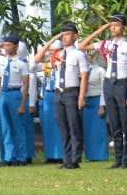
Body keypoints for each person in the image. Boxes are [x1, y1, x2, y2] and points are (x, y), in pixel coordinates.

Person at [34, 22, 89, 169]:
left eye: (67, 34)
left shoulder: (78, 54)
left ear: (75, 36)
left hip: (72, 91)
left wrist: (81, 96)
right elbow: (37, 59)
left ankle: (75, 159)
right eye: (62, 35)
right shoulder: (58, 54)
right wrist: (52, 40)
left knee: (74, 126)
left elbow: (84, 76)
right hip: (59, 93)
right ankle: (66, 158)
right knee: (63, 127)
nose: (64, 38)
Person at [87, 15, 127, 168]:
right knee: (114, 124)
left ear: (124, 27)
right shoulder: (107, 44)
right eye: (111, 25)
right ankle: (118, 159)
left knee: (126, 124)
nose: (113, 28)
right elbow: (82, 45)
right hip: (109, 84)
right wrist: (101, 29)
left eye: (116, 25)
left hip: (122, 83)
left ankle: (126, 160)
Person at [0, 34, 31, 166]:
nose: (6, 47)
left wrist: (23, 104)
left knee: (17, 127)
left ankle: (21, 157)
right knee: (4, 128)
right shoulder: (0, 61)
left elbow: (26, 84)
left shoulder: (22, 62)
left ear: (16, 46)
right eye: (4, 45)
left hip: (15, 93)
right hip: (2, 94)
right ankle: (8, 157)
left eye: (9, 45)